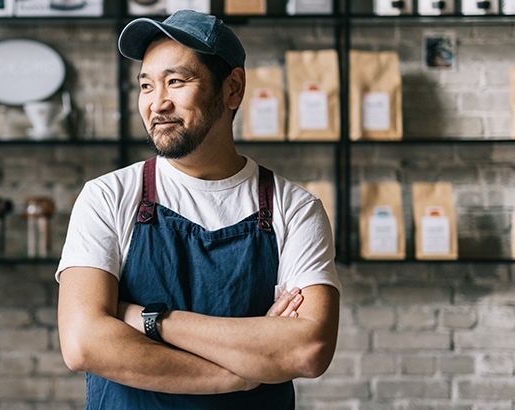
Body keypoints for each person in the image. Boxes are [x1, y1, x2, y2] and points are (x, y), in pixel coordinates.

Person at [56, 9, 341, 410]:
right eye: (146, 86)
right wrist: (238, 374)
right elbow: (84, 343)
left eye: (176, 81)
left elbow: (308, 349)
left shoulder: (294, 209)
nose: (157, 104)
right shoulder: (108, 196)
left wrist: (149, 320)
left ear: (233, 89)